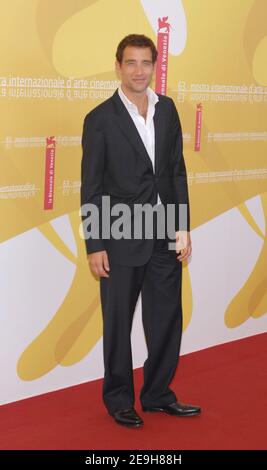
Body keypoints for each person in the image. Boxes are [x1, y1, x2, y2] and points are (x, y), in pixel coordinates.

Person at [80, 34, 201, 428]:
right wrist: (95, 244)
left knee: (166, 318)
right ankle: (118, 399)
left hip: (165, 233)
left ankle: (158, 394)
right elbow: (92, 187)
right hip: (119, 238)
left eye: (145, 63)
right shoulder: (99, 119)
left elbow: (176, 172)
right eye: (130, 63)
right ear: (118, 66)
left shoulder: (167, 111)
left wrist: (182, 226)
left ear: (154, 66)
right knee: (117, 323)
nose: (138, 71)